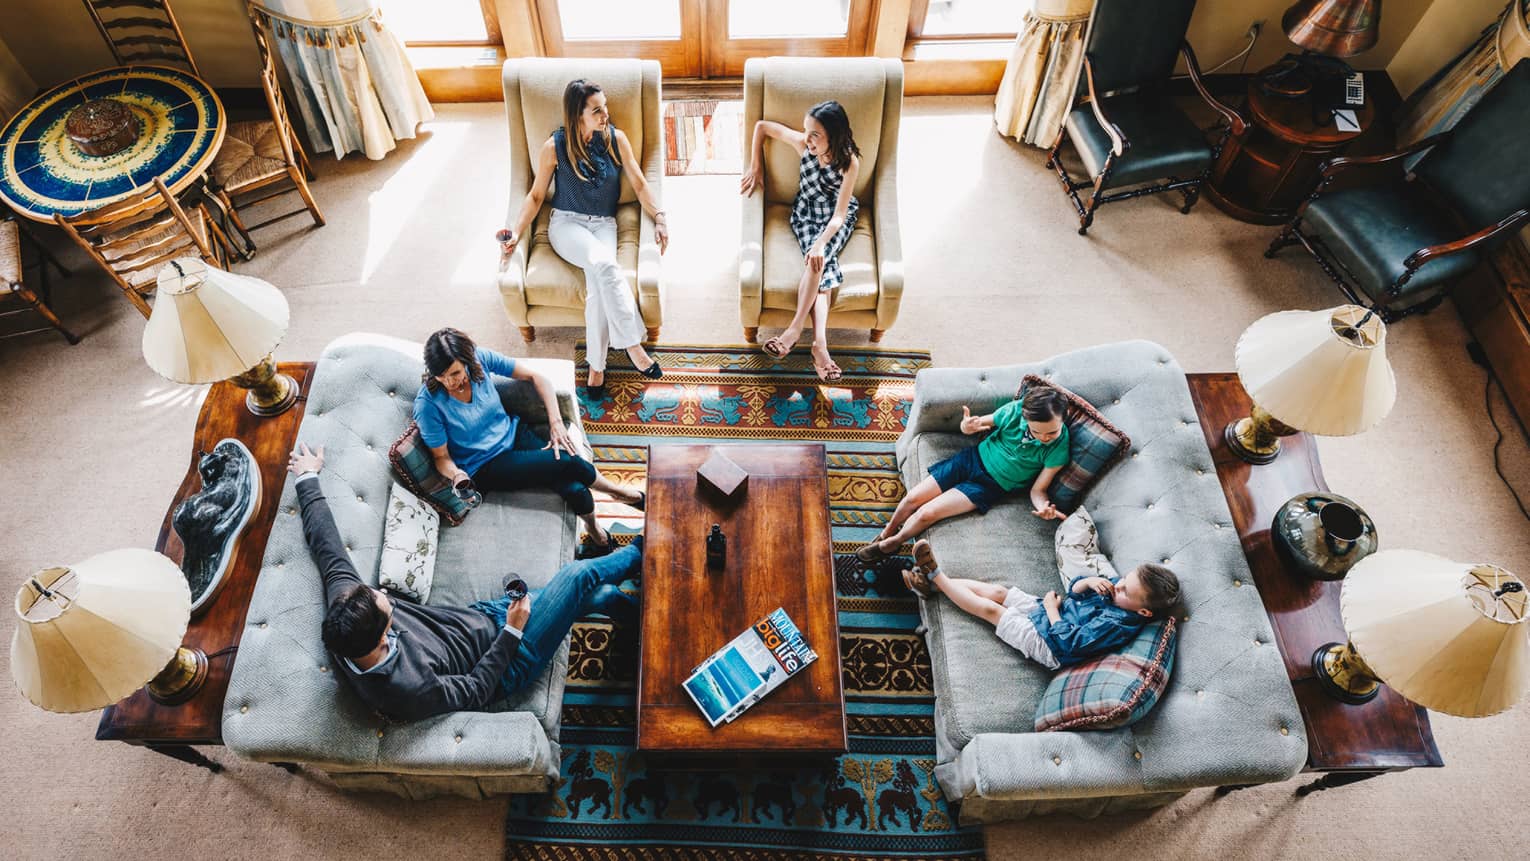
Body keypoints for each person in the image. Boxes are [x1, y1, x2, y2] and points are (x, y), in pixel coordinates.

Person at [286, 441, 642, 722]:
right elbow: (475, 689)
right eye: (385, 604)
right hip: (511, 659)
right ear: (382, 637)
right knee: (578, 575)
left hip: (486, 617)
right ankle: (646, 547)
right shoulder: (404, 689)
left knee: (597, 595)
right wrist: (513, 631)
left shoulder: (348, 608)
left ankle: (635, 617)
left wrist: (307, 478)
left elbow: (327, 549)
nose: (382, 593)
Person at [498, 78, 666, 392]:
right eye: (597, 111)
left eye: (605, 108)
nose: (606, 116)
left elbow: (641, 184)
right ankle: (633, 348)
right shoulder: (554, 147)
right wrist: (516, 231)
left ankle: (597, 368)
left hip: (604, 225)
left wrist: (659, 217)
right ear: (578, 115)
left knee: (598, 288)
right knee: (605, 266)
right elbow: (535, 196)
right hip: (567, 225)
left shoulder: (617, 139)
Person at [415, 327, 641, 554]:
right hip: (486, 465)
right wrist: (456, 475)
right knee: (569, 461)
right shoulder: (428, 405)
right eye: (441, 376)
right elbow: (441, 457)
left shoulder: (479, 359)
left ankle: (595, 533)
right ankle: (622, 494)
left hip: (514, 434)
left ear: (466, 360)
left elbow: (537, 377)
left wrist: (556, 423)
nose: (449, 382)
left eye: (455, 373)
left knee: (574, 487)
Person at [857, 383, 1071, 563]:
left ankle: (894, 542)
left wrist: (1044, 507)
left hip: (990, 486)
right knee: (913, 498)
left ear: (1063, 420)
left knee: (927, 513)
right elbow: (975, 425)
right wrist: (967, 427)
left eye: (1052, 432)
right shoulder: (1014, 412)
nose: (1044, 438)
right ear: (1026, 418)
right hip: (970, 460)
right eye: (1036, 431)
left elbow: (1038, 490)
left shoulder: (1059, 447)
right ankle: (887, 531)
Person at [903, 539, 1180, 669]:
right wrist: (1088, 583)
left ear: (1143, 611)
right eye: (1123, 580)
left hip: (1049, 644)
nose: (1117, 585)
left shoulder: (1116, 626)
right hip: (1052, 611)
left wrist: (1050, 608)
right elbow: (1076, 591)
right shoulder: (1120, 594)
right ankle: (931, 585)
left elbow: (1070, 644)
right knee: (999, 592)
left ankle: (933, 574)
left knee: (992, 610)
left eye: (1125, 590)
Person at [740, 100, 861, 382]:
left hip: (832, 220)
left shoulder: (849, 162)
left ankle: (794, 331)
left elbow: (839, 215)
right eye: (807, 131)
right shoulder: (802, 145)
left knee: (819, 259)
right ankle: (820, 346)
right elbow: (762, 128)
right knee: (821, 267)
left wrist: (821, 243)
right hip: (805, 214)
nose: (807, 138)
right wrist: (755, 166)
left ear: (834, 135)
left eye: (815, 134)